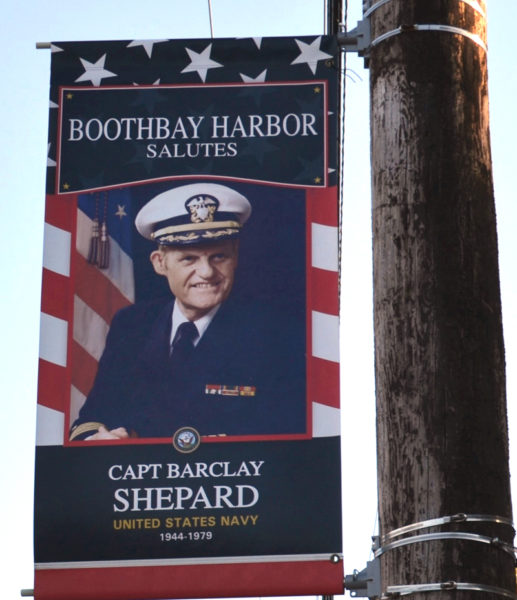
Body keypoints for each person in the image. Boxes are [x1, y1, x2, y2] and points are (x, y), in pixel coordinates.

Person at [69, 182, 306, 441]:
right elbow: (92, 419)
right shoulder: (132, 325)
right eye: (189, 259)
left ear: (235, 257)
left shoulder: (275, 334)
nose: (206, 272)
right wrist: (96, 438)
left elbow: (288, 438)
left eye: (218, 257)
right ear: (160, 263)